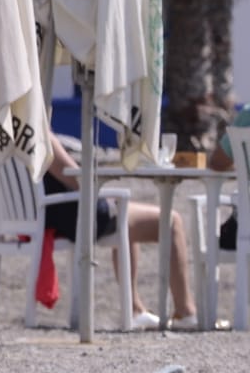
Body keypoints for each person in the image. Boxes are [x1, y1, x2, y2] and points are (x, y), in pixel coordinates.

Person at [42, 133, 192, 325]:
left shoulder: (16, 131)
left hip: (52, 214)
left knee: (126, 214)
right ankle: (186, 311)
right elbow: (78, 179)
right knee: (172, 221)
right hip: (76, 216)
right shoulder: (43, 134)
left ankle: (135, 309)